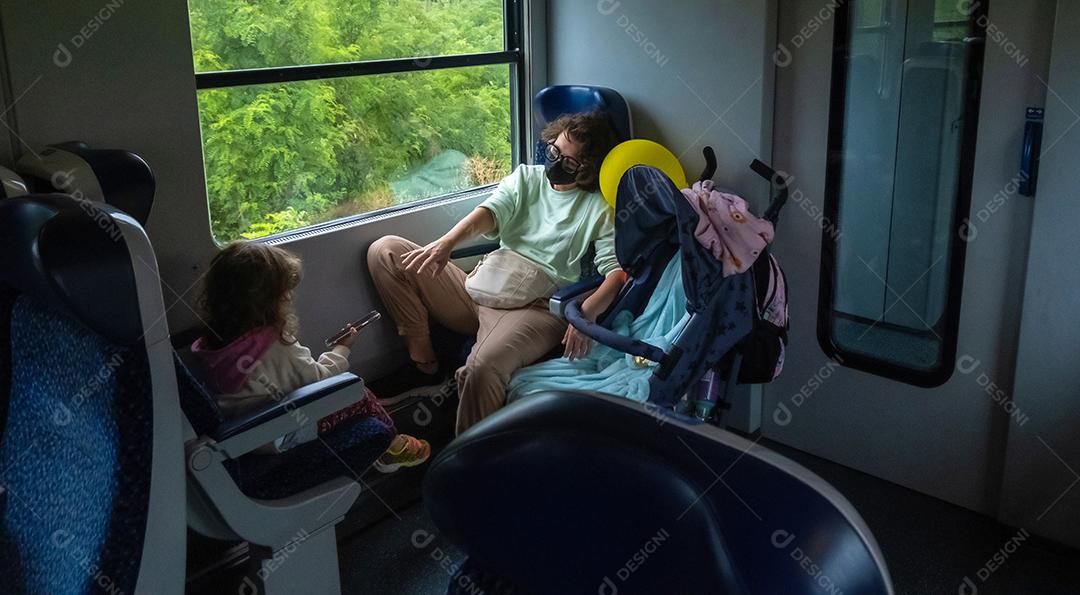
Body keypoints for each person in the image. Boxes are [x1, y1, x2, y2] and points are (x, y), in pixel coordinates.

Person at [368, 111, 628, 435]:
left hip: (535, 307)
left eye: (570, 162)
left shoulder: (599, 208)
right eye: (554, 152)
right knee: (386, 251)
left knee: (482, 368)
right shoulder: (527, 178)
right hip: (485, 285)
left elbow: (616, 274)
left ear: (588, 170)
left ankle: (469, 465)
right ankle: (426, 368)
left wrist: (585, 315)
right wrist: (447, 243)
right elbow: (489, 213)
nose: (556, 162)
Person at [191, 242, 430, 472]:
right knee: (356, 391)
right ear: (269, 302)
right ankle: (389, 446)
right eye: (284, 294)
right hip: (281, 432)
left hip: (246, 432)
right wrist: (342, 349)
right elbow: (320, 380)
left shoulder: (212, 342)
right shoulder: (274, 347)